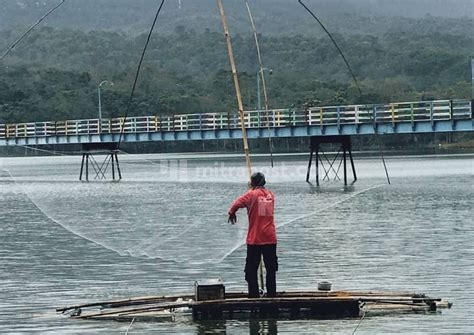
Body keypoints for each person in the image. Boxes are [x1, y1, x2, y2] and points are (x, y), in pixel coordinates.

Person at [228, 172, 278, 298]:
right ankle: (271, 295)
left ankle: (254, 295)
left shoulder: (251, 195)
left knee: (251, 270)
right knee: (271, 269)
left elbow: (236, 204)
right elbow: (262, 210)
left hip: (255, 239)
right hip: (270, 238)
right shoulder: (271, 195)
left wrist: (231, 213)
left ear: (253, 183)